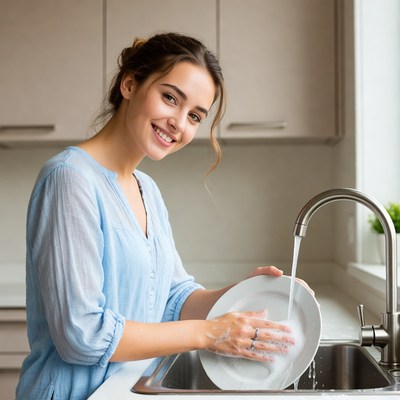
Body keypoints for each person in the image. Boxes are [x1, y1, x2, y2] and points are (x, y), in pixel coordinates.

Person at [16, 32, 300, 400]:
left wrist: (251, 291)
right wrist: (210, 333)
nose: (178, 123)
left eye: (195, 116)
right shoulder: (69, 179)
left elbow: (173, 299)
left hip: (125, 389)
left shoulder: (146, 188)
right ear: (130, 84)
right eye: (170, 98)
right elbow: (81, 336)